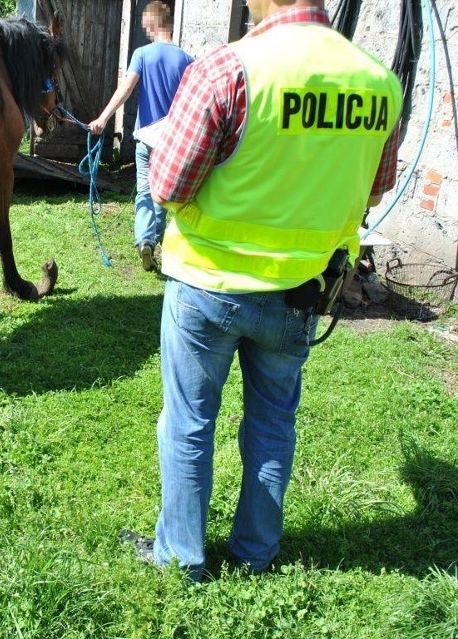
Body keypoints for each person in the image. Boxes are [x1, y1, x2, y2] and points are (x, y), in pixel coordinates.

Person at [119, 0, 403, 581]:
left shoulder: (229, 69)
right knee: (273, 425)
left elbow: (170, 185)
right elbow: (376, 190)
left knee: (189, 423)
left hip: (209, 284)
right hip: (302, 290)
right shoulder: (378, 81)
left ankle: (181, 557)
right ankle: (254, 556)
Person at [88, 1, 193, 272]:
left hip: (146, 138)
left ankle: (145, 240)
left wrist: (103, 117)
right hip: (172, 141)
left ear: (154, 24)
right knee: (163, 194)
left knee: (145, 191)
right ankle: (153, 241)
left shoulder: (143, 54)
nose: (146, 32)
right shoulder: (187, 60)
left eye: (146, 27)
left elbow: (125, 89)